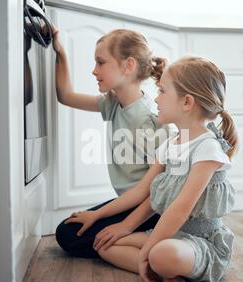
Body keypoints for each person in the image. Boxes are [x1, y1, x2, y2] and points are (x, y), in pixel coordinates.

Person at [82, 56, 238, 282]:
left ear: (187, 102)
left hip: (200, 241)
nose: (156, 98)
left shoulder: (207, 148)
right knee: (106, 245)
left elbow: (180, 209)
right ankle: (160, 271)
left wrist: (146, 251)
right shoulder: (169, 145)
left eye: (162, 91)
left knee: (161, 253)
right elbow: (149, 194)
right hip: (171, 235)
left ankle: (158, 264)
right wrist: (124, 227)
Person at [51, 25, 168, 258]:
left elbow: (158, 191)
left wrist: (102, 216)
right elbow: (66, 96)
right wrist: (60, 52)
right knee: (69, 229)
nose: (94, 71)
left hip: (152, 209)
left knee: (67, 234)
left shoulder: (148, 118)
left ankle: (155, 242)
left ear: (128, 65)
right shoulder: (113, 103)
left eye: (100, 62)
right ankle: (142, 242)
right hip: (130, 201)